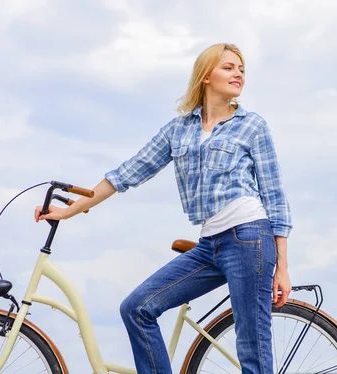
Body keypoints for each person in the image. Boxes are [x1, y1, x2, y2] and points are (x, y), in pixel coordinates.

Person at [34, 43, 292, 374]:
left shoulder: (252, 126)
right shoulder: (178, 130)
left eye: (242, 69)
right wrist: (72, 208)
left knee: (252, 351)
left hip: (250, 238)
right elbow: (126, 173)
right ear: (205, 76)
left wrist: (282, 266)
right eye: (228, 67)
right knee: (137, 308)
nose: (238, 73)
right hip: (209, 245)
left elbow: (275, 195)